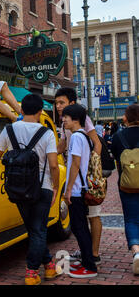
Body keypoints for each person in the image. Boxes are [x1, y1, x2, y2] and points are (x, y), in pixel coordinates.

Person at [0, 94, 60, 285]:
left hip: (17, 188)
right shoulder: (46, 133)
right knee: (38, 230)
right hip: (42, 187)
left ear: (21, 111)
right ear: (40, 112)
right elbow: (54, 165)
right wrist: (55, 187)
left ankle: (49, 266)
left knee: (33, 229)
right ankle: (31, 272)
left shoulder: (9, 130)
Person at [54, 87, 102, 265]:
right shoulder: (65, 123)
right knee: (80, 223)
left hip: (85, 180)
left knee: (92, 216)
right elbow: (62, 145)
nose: (58, 107)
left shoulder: (82, 120)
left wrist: (90, 175)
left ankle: (93, 255)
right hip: (77, 179)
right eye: (56, 103)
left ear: (72, 104)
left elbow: (97, 145)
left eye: (62, 103)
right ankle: (87, 253)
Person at [62, 104, 98, 278]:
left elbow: (75, 164)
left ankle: (89, 267)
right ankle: (86, 262)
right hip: (81, 189)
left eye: (65, 117)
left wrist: (68, 190)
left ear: (75, 119)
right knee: (81, 227)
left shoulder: (76, 137)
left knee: (80, 228)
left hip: (76, 190)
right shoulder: (84, 136)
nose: (63, 120)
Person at [111, 104, 139, 275]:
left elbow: (115, 158)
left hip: (127, 184)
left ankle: (136, 251)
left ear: (126, 118)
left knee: (131, 219)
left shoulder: (118, 136)